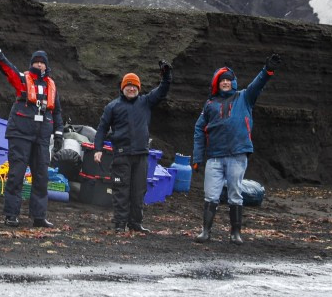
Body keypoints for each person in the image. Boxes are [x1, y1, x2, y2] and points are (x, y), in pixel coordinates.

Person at [191, 53, 281, 244]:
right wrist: (197, 158)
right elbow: (199, 129)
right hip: (214, 156)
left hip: (237, 155)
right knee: (211, 194)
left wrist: (268, 70)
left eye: (229, 81)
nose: (225, 83)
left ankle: (235, 234)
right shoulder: (210, 104)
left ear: (234, 83)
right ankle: (205, 232)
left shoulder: (244, 97)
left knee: (235, 193)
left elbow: (258, 84)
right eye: (222, 81)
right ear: (217, 83)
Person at [0, 33, 64, 228]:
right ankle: (11, 215)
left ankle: (39, 216)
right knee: (16, 175)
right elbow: (6, 67)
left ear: (46, 65)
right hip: (21, 134)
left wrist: (58, 134)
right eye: (37, 62)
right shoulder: (23, 80)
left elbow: (57, 112)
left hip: (42, 137)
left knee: (41, 177)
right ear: (32, 63)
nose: (40, 65)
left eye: (43, 62)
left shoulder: (52, 86)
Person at [93, 60, 172, 233]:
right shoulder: (112, 107)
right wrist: (97, 149)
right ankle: (120, 224)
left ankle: (135, 223)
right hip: (121, 155)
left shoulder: (145, 102)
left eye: (134, 86)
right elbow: (102, 128)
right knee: (121, 191)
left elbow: (162, 90)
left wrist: (166, 75)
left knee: (139, 191)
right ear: (122, 88)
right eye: (128, 86)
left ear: (139, 88)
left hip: (141, 155)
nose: (131, 88)